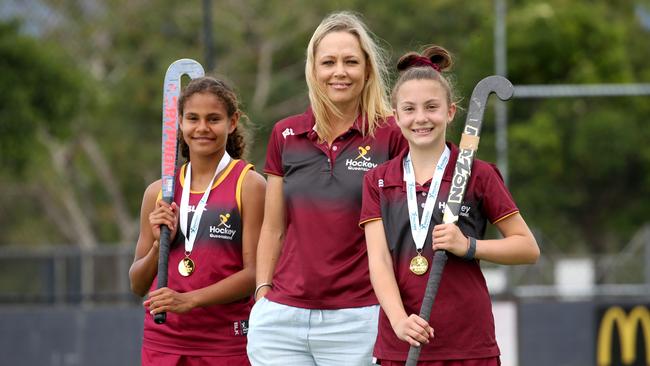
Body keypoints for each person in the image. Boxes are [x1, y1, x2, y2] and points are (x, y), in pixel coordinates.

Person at [360, 45, 540, 365]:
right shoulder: (378, 181)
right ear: (396, 115)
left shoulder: (478, 175)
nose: (421, 118)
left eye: (432, 107)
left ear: (451, 111)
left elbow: (527, 248)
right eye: (410, 109)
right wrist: (400, 320)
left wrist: (469, 246)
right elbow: (379, 263)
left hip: (468, 344)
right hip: (401, 343)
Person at [246, 11, 408, 366]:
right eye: (328, 62)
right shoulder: (286, 134)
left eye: (350, 61)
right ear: (313, 69)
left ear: (366, 69)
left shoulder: (393, 135)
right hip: (281, 320)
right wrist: (263, 295)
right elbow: (273, 227)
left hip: (360, 319)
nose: (339, 72)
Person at [129, 76, 266, 365]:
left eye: (213, 119)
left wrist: (189, 300)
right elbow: (137, 284)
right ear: (179, 122)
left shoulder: (249, 184)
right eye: (193, 118)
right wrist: (158, 246)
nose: (202, 128)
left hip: (225, 343)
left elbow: (256, 274)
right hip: (163, 341)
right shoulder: (158, 192)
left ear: (232, 122)